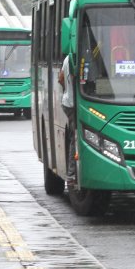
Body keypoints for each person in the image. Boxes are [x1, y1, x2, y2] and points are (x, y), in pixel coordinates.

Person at [58, 54, 77, 185]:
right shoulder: (74, 57)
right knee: (75, 138)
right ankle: (71, 174)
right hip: (71, 103)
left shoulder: (67, 58)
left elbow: (60, 78)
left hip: (67, 101)